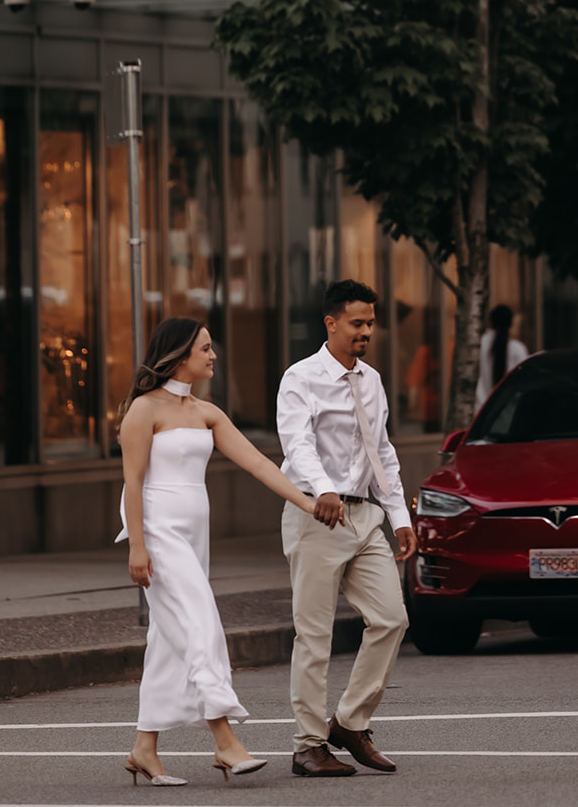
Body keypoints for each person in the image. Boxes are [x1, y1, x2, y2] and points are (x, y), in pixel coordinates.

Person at [117, 315, 331, 787]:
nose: (213, 356)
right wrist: (136, 545)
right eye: (206, 348)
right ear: (178, 354)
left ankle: (144, 749)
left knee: (169, 639)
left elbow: (258, 463)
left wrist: (309, 502)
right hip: (157, 532)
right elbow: (132, 482)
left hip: (195, 536)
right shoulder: (143, 410)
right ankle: (225, 741)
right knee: (200, 624)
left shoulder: (206, 413)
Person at [276, 278, 416, 779]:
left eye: (370, 324)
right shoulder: (301, 377)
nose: (366, 332)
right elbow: (297, 444)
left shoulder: (372, 380)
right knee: (313, 635)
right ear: (331, 322)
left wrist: (398, 516)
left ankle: (350, 722)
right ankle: (308, 745)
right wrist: (323, 489)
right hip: (318, 514)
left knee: (392, 618)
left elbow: (382, 452)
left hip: (365, 516)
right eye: (357, 323)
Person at [475, 305, 529, 407]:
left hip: (480, 412)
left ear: (491, 322)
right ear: (511, 323)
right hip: (507, 411)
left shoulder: (478, 345)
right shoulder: (518, 349)